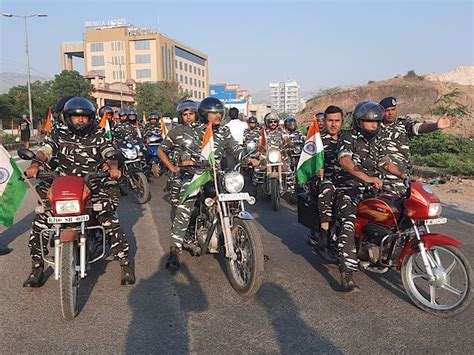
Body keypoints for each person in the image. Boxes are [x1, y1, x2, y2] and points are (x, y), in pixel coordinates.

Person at [23, 96, 135, 287]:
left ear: (91, 118)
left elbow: (108, 151)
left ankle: (125, 264)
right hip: (62, 186)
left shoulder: (98, 134)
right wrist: (35, 164)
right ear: (68, 117)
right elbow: (46, 150)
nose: (80, 120)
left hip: (92, 184)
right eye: (75, 116)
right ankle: (37, 267)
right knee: (41, 221)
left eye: (84, 117)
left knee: (109, 218)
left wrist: (113, 166)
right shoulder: (58, 133)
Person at [165, 97, 258, 271]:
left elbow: (234, 148)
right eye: (213, 112)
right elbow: (185, 149)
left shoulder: (224, 131)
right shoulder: (192, 131)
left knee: (235, 197)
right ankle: (174, 251)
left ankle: (248, 243)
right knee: (184, 207)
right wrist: (184, 160)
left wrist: (248, 158)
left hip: (218, 173)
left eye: (219, 112)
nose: (217, 115)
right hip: (197, 174)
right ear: (204, 114)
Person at [334, 101, 406, 292]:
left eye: (376, 121)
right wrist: (366, 177)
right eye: (369, 121)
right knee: (348, 223)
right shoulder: (348, 136)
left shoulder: (378, 138)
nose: (374, 125)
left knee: (396, 213)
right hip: (348, 188)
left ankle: (384, 253)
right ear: (359, 121)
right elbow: (345, 160)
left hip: (371, 189)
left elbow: (385, 162)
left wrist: (403, 175)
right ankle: (347, 274)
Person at [379, 96, 456, 197]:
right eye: (387, 110)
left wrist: (435, 126)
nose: (391, 113)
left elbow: (418, 128)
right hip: (379, 180)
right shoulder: (373, 126)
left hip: (400, 180)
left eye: (393, 109)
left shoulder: (403, 124)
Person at [309, 106, 344, 249]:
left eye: (337, 120)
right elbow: (307, 163)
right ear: (325, 121)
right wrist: (316, 170)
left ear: (342, 121)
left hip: (345, 180)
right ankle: (324, 230)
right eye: (330, 120)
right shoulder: (317, 140)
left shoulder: (348, 138)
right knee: (328, 188)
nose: (333, 124)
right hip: (324, 180)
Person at [157, 100, 199, 212]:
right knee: (179, 206)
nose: (188, 117)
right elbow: (160, 151)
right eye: (185, 115)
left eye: (191, 114)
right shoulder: (175, 132)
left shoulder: (203, 130)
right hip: (181, 174)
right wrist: (172, 167)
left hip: (201, 172)